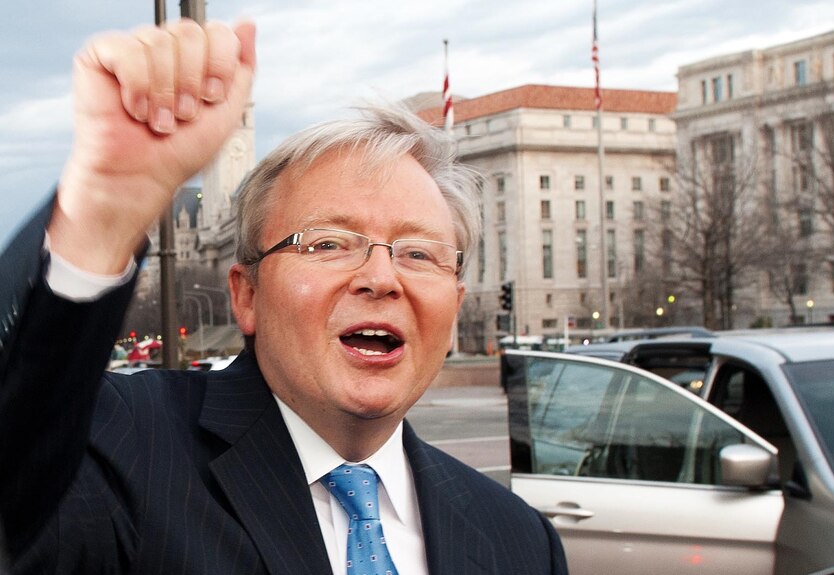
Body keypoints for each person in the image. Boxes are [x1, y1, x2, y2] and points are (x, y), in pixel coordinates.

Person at [0, 18, 568, 575]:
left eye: (418, 253)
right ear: (245, 295)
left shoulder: (520, 540)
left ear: (457, 303)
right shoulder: (120, 446)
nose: (381, 277)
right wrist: (100, 214)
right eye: (328, 243)